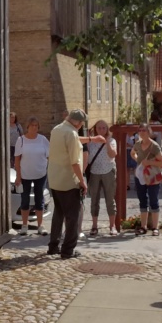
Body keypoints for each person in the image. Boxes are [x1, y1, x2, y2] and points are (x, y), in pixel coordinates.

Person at [47, 109, 103, 259]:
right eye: (81, 123)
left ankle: (53, 246)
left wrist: (91, 139)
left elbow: (74, 140)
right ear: (78, 123)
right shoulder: (71, 133)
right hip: (68, 181)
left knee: (58, 214)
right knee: (73, 216)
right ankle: (68, 250)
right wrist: (82, 181)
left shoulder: (57, 129)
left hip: (55, 179)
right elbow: (75, 163)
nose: (81, 126)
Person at [130, 123, 162, 236]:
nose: (142, 132)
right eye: (140, 130)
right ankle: (143, 226)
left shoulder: (154, 146)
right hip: (140, 176)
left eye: (144, 130)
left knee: (153, 200)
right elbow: (132, 153)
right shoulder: (138, 144)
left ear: (149, 132)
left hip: (152, 176)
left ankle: (155, 227)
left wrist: (149, 162)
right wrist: (138, 160)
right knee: (142, 200)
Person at [13, 116, 50, 237]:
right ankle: (24, 225)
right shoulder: (21, 140)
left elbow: (49, 155)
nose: (34, 128)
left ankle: (40, 225)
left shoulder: (43, 139)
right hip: (25, 175)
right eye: (32, 125)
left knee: (40, 200)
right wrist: (18, 176)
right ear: (27, 127)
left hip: (40, 174)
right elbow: (17, 159)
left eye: (36, 126)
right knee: (25, 200)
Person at [86, 119, 119, 237]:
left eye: (104, 128)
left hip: (108, 171)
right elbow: (87, 157)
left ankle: (112, 226)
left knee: (110, 199)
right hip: (94, 172)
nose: (101, 130)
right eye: (99, 128)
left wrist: (106, 142)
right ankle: (94, 226)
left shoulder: (112, 141)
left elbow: (112, 154)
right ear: (95, 129)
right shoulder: (91, 142)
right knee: (94, 200)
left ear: (107, 129)